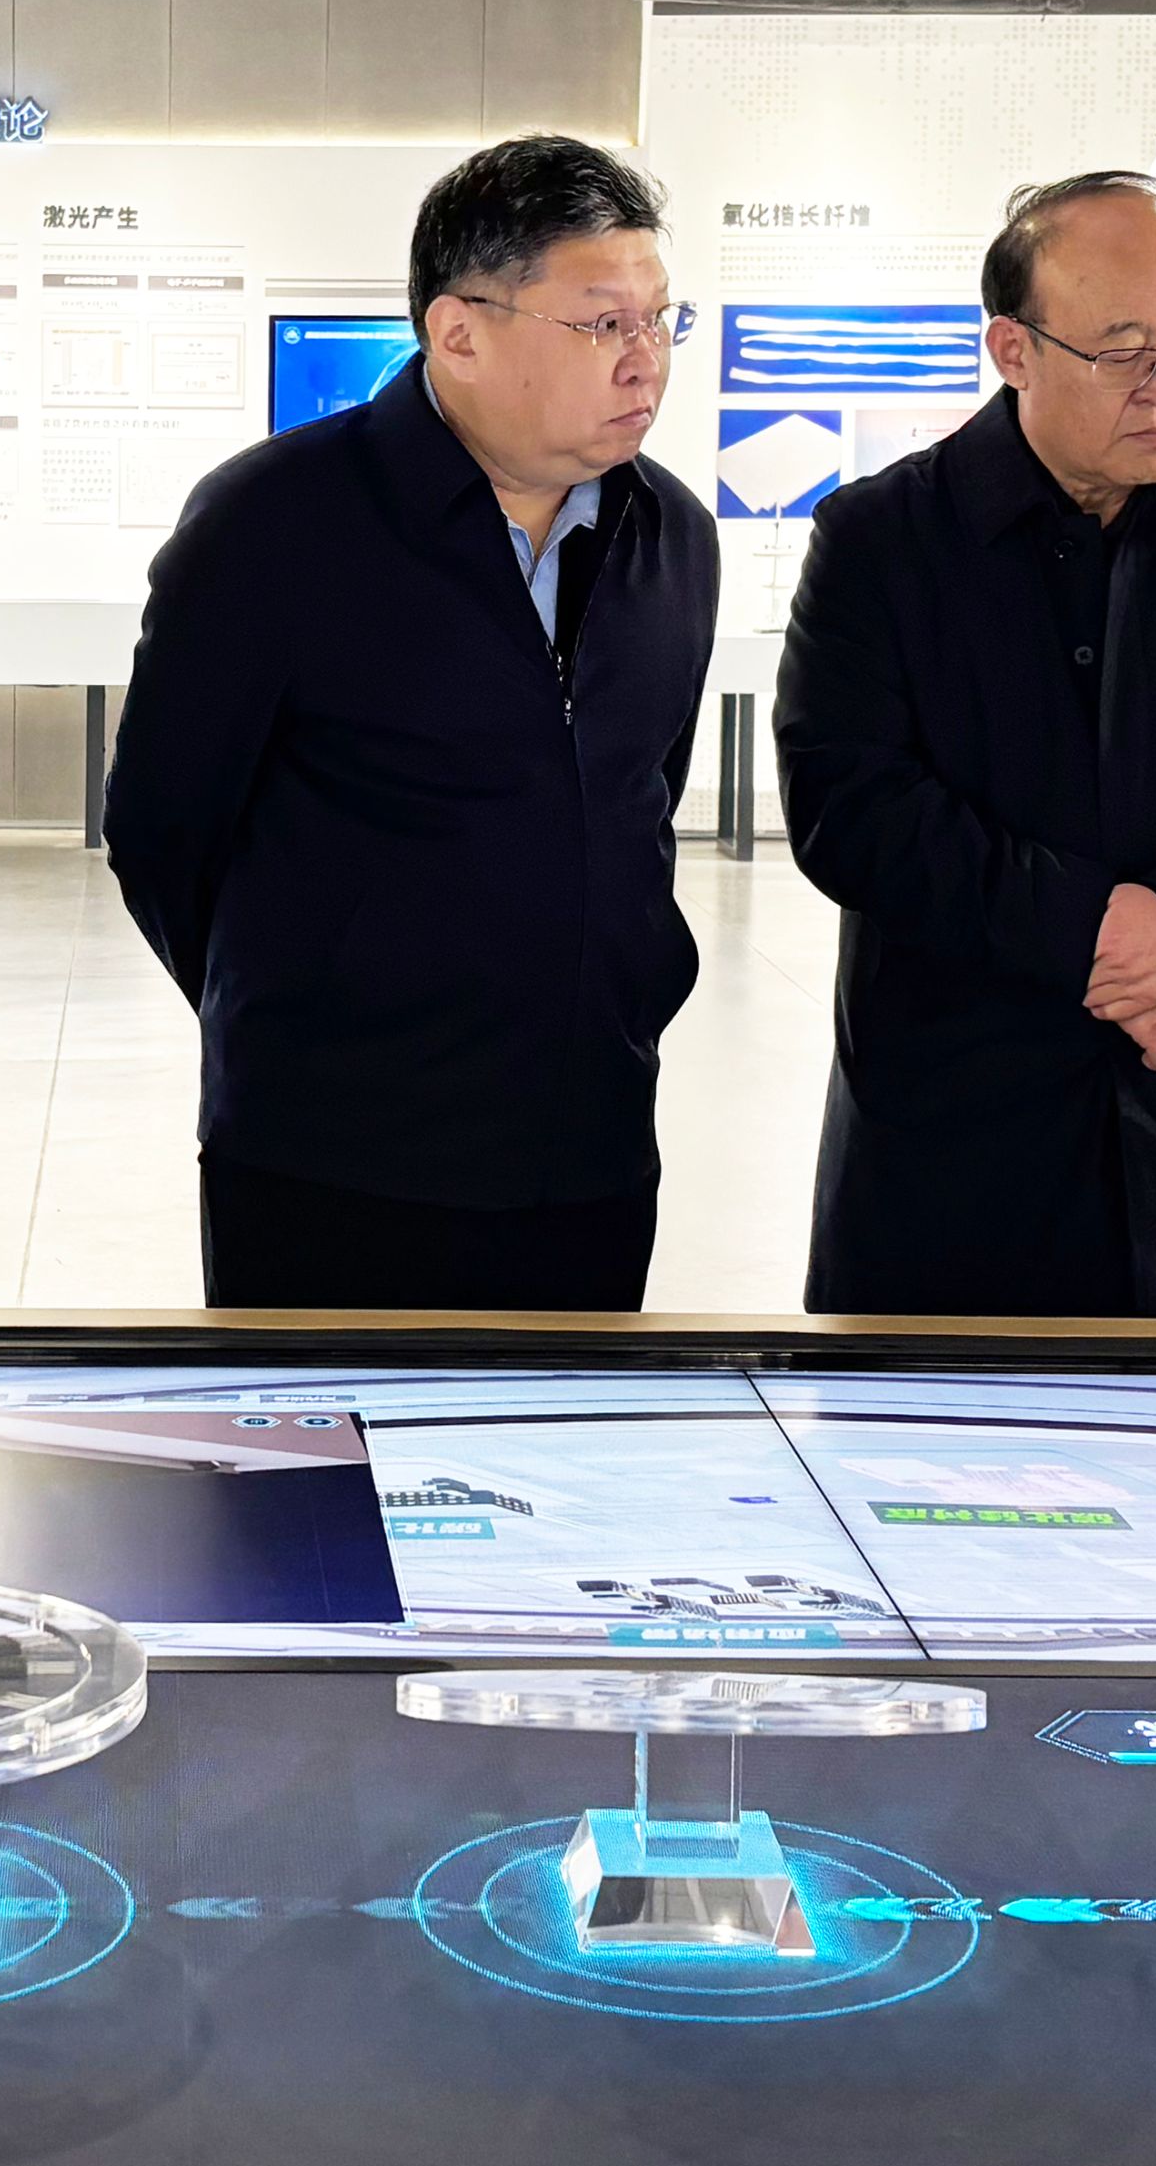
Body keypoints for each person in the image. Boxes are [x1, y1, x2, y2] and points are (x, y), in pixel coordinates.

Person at [105, 137, 717, 1308]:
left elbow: (640, 800)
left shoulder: (670, 537)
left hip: (589, 1150)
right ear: (458, 333)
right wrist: (308, 1007)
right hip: (333, 1162)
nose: (644, 360)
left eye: (658, 320)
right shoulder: (273, 524)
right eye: (601, 323)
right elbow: (163, 830)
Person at [781, 172, 1156, 1317]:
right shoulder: (879, 540)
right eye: (1121, 352)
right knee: (932, 1425)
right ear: (1011, 348)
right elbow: (848, 807)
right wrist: (1097, 937)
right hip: (959, 1121)